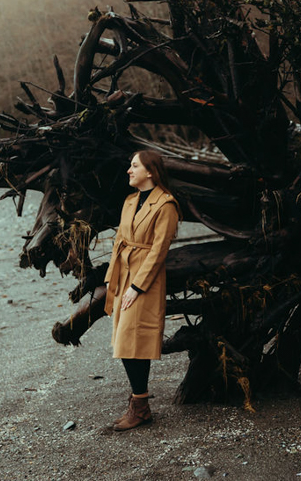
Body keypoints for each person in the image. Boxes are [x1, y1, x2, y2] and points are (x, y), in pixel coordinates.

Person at [104, 149, 180, 431]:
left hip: (145, 278)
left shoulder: (166, 205)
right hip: (125, 273)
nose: (128, 170)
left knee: (131, 341)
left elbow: (159, 251)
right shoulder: (129, 201)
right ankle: (140, 403)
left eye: (134, 165)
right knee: (126, 342)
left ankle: (141, 406)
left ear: (150, 171)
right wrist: (113, 279)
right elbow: (119, 240)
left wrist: (137, 286)